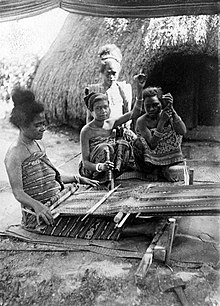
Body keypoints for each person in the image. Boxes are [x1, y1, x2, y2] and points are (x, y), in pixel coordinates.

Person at [4, 87, 99, 233]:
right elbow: (18, 192)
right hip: (39, 214)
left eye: (44, 123)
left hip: (58, 199)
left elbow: (49, 175)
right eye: (38, 125)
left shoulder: (39, 144)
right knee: (90, 225)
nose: (43, 128)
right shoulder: (15, 154)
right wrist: (38, 206)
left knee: (95, 210)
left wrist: (76, 178)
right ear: (22, 124)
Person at [79, 78, 144, 184]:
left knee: (123, 144)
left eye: (105, 107)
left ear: (109, 108)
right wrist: (100, 166)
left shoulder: (111, 123)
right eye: (98, 108)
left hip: (109, 164)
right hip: (92, 169)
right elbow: (85, 163)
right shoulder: (86, 131)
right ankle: (102, 178)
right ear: (91, 112)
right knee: (105, 148)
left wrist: (140, 89)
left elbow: (135, 113)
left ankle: (113, 174)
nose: (103, 111)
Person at [133, 80, 187, 182]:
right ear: (143, 107)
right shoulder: (142, 121)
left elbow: (183, 131)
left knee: (174, 132)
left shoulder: (167, 114)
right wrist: (162, 122)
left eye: (155, 105)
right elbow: (152, 144)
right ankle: (155, 170)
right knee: (138, 143)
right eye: (147, 106)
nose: (151, 109)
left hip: (168, 155)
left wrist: (172, 109)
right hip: (150, 159)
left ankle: (163, 168)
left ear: (161, 103)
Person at [85, 44, 133, 130]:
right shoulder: (94, 90)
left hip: (119, 131)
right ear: (102, 72)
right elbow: (89, 117)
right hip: (100, 132)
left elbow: (127, 113)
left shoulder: (123, 89)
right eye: (108, 73)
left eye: (114, 73)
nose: (111, 77)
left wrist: (126, 133)